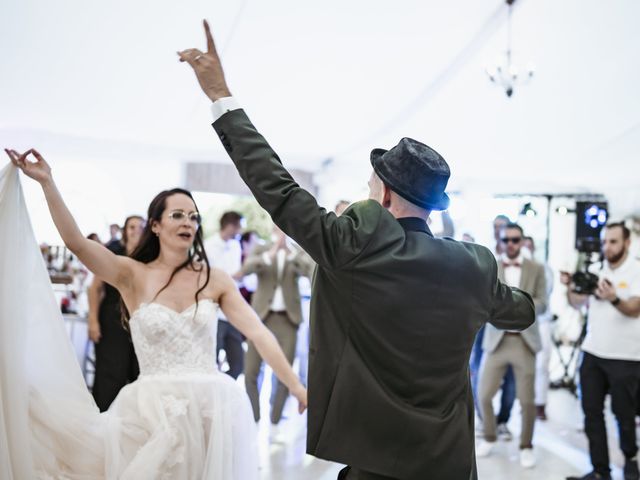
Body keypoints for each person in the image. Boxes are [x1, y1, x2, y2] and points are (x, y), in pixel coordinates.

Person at [178, 21, 534, 480]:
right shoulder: (475, 265)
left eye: (370, 186)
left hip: (375, 457)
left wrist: (221, 96)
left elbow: (279, 190)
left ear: (384, 196)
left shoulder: (353, 245)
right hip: (448, 461)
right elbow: (519, 312)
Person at [2, 147, 307, 479]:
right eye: (177, 215)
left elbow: (259, 333)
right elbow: (76, 243)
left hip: (209, 412)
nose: (188, 222)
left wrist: (297, 387)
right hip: (149, 414)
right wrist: (48, 182)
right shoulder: (132, 275)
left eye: (193, 216)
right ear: (156, 226)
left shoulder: (214, 279)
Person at [564, 222, 640, 480]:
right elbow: (576, 304)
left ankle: (631, 462)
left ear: (627, 243)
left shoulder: (637, 270)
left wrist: (613, 298)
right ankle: (600, 471)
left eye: (614, 241)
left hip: (626, 357)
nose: (607, 247)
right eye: (605, 241)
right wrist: (570, 286)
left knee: (624, 415)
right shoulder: (594, 270)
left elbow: (634, 308)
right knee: (591, 413)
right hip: (593, 353)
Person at [476, 223, 546, 468]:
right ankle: (489, 435)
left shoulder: (536, 268)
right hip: (497, 339)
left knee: (527, 401)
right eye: (506, 240)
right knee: (483, 394)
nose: (511, 245)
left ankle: (526, 446)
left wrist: (515, 309)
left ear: (522, 240)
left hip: (524, 341)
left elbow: (543, 303)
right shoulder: (490, 264)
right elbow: (483, 299)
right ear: (500, 241)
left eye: (515, 240)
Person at [240, 226, 314, 428]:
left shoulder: (297, 252)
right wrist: (272, 251)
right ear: (272, 228)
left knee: (285, 373)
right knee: (251, 372)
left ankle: (275, 420)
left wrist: (292, 251)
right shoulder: (261, 249)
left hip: (288, 320)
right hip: (261, 319)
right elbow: (247, 268)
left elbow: (311, 272)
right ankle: (253, 417)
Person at [88, 214, 144, 411]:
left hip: (140, 322)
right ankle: (102, 416)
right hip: (112, 320)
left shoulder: (150, 256)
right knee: (110, 373)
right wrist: (93, 320)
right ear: (125, 231)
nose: (137, 230)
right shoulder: (113, 252)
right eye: (132, 226)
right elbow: (95, 288)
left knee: (138, 373)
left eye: (141, 227)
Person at [204, 210, 245, 378]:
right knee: (210, 362)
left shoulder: (236, 246)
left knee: (238, 365)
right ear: (230, 226)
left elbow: (236, 277)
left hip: (233, 314)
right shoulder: (208, 246)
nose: (241, 231)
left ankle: (223, 388)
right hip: (214, 313)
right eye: (239, 227)